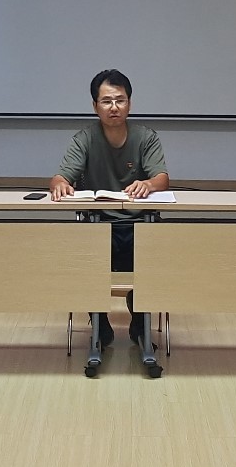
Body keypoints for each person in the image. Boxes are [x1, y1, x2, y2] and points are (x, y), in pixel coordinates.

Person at [48, 69, 169, 348]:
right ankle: (100, 328)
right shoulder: (84, 138)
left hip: (140, 223)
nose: (114, 107)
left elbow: (162, 178)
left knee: (154, 256)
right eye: (106, 101)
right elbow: (60, 177)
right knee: (84, 256)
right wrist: (60, 184)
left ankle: (140, 327)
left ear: (129, 103)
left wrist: (148, 184)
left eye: (120, 100)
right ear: (95, 106)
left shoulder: (146, 137)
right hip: (98, 224)